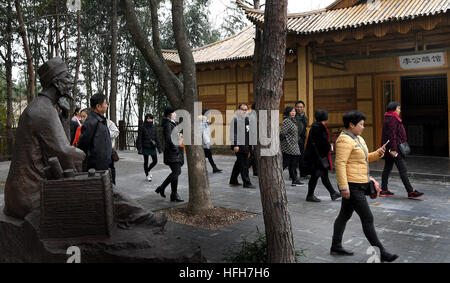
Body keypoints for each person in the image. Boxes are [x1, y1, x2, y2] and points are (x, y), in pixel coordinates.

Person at [4, 57, 85, 219]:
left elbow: (61, 147)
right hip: (29, 195)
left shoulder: (44, 107)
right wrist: (83, 155)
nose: (71, 82)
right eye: (67, 78)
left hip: (19, 193)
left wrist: (64, 117)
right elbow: (64, 152)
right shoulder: (43, 111)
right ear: (57, 82)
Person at [331, 110, 398, 262]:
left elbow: (364, 158)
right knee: (368, 218)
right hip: (352, 185)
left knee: (344, 215)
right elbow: (340, 164)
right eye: (360, 124)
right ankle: (382, 252)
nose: (363, 127)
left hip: (361, 183)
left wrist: (378, 153)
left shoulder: (358, 139)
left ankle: (336, 245)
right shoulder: (344, 140)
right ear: (351, 125)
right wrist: (343, 187)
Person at [380, 102, 424, 199]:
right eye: (398, 108)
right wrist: (393, 149)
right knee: (403, 169)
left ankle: (384, 190)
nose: (399, 110)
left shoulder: (389, 117)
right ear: (394, 109)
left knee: (387, 168)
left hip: (391, 147)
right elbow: (392, 135)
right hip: (395, 149)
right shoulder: (392, 118)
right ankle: (410, 191)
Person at [303, 109, 341, 202]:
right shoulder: (320, 128)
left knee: (320, 176)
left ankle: (332, 193)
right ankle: (312, 195)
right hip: (319, 157)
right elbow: (322, 144)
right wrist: (329, 146)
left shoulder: (314, 126)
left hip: (315, 156)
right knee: (318, 176)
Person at [78, 93, 113, 179]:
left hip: (105, 164)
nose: (107, 105)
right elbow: (83, 145)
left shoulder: (100, 120)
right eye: (105, 103)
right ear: (98, 106)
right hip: (96, 167)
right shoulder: (91, 122)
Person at [155, 107, 184, 202]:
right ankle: (173, 193)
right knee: (176, 172)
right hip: (172, 153)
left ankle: (164, 189)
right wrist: (175, 149)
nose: (175, 114)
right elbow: (168, 139)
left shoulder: (171, 124)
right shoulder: (168, 124)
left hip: (173, 152)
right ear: (169, 115)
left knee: (176, 172)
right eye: (174, 113)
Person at [229, 104, 254, 188]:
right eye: (242, 109)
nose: (244, 111)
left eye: (246, 109)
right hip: (239, 145)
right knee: (244, 165)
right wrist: (235, 145)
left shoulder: (247, 119)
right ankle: (247, 183)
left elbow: (248, 133)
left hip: (246, 145)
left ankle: (233, 180)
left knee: (239, 163)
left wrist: (251, 144)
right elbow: (233, 134)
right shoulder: (235, 120)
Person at [280, 106, 303, 187]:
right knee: (285, 163)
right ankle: (276, 177)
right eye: (291, 111)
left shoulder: (293, 120)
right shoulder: (286, 121)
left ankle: (294, 180)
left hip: (294, 145)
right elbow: (282, 133)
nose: (293, 113)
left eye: (294, 111)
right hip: (288, 145)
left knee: (293, 164)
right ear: (288, 112)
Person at [136, 113, 163, 181]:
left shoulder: (154, 127)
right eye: (148, 118)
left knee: (155, 161)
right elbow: (139, 138)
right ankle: (147, 175)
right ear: (145, 119)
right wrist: (140, 148)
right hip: (145, 146)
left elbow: (157, 138)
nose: (149, 120)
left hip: (152, 146)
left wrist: (159, 148)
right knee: (146, 161)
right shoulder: (142, 127)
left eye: (151, 118)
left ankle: (148, 170)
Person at [200, 109, 222, 173]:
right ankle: (213, 168)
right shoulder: (203, 121)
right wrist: (206, 141)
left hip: (205, 142)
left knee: (208, 155)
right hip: (204, 142)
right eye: (209, 113)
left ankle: (214, 168)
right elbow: (203, 132)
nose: (210, 114)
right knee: (208, 155)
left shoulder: (205, 120)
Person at [295, 100, 308, 178]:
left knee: (302, 156)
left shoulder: (304, 117)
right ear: (295, 107)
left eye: (301, 107)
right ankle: (293, 175)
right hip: (295, 139)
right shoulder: (293, 116)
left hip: (302, 139)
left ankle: (303, 173)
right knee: (294, 158)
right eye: (298, 107)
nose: (299, 108)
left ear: (303, 108)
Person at [107, 118, 120, 185]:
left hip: (109, 150)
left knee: (111, 167)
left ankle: (113, 184)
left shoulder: (109, 122)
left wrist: (106, 133)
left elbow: (116, 132)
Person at [248, 103, 258, 177]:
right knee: (253, 155)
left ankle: (255, 171)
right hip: (252, 138)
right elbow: (250, 130)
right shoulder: (252, 116)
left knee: (254, 156)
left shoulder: (254, 115)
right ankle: (245, 167)